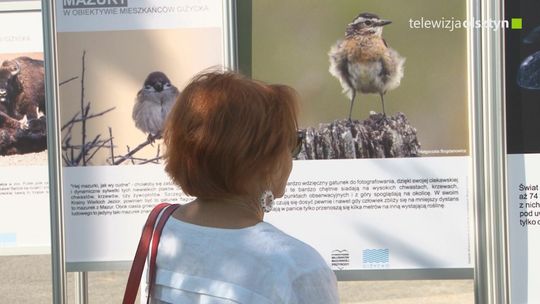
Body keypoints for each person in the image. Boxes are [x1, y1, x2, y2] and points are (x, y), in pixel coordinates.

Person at [151, 70, 339, 303]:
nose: (292, 156)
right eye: (292, 143)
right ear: (263, 161)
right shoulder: (297, 268)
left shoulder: (160, 231)